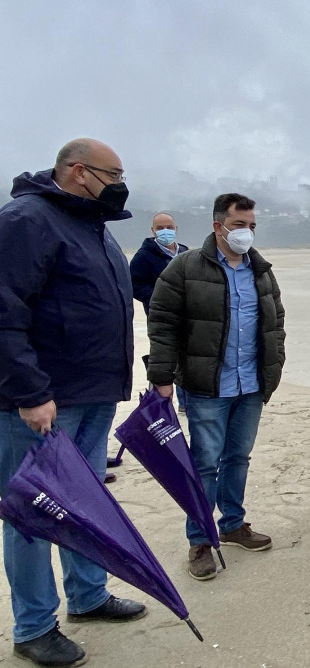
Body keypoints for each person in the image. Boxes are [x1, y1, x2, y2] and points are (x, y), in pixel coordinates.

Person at [0, 138, 147, 667]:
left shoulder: (95, 228)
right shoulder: (26, 220)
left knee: (86, 503)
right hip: (43, 401)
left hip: (95, 393)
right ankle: (35, 627)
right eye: (114, 174)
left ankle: (88, 596)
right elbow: (4, 311)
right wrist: (30, 392)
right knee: (32, 515)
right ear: (79, 172)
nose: (121, 185)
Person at [147, 192, 286, 581]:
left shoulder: (261, 271)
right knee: (205, 463)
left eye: (252, 226)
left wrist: (274, 366)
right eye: (239, 225)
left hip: (251, 385)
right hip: (208, 386)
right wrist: (162, 378)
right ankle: (200, 540)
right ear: (218, 226)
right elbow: (162, 325)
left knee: (238, 458)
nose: (247, 233)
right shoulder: (184, 268)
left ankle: (233, 523)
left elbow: (275, 323)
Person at [129, 213, 190, 414]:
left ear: (176, 228)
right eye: (161, 227)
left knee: (187, 358)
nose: (166, 231)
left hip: (188, 316)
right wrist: (158, 296)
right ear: (153, 230)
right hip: (160, 318)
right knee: (163, 358)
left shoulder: (185, 253)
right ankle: (158, 403)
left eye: (170, 227)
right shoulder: (144, 256)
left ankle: (185, 402)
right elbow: (134, 285)